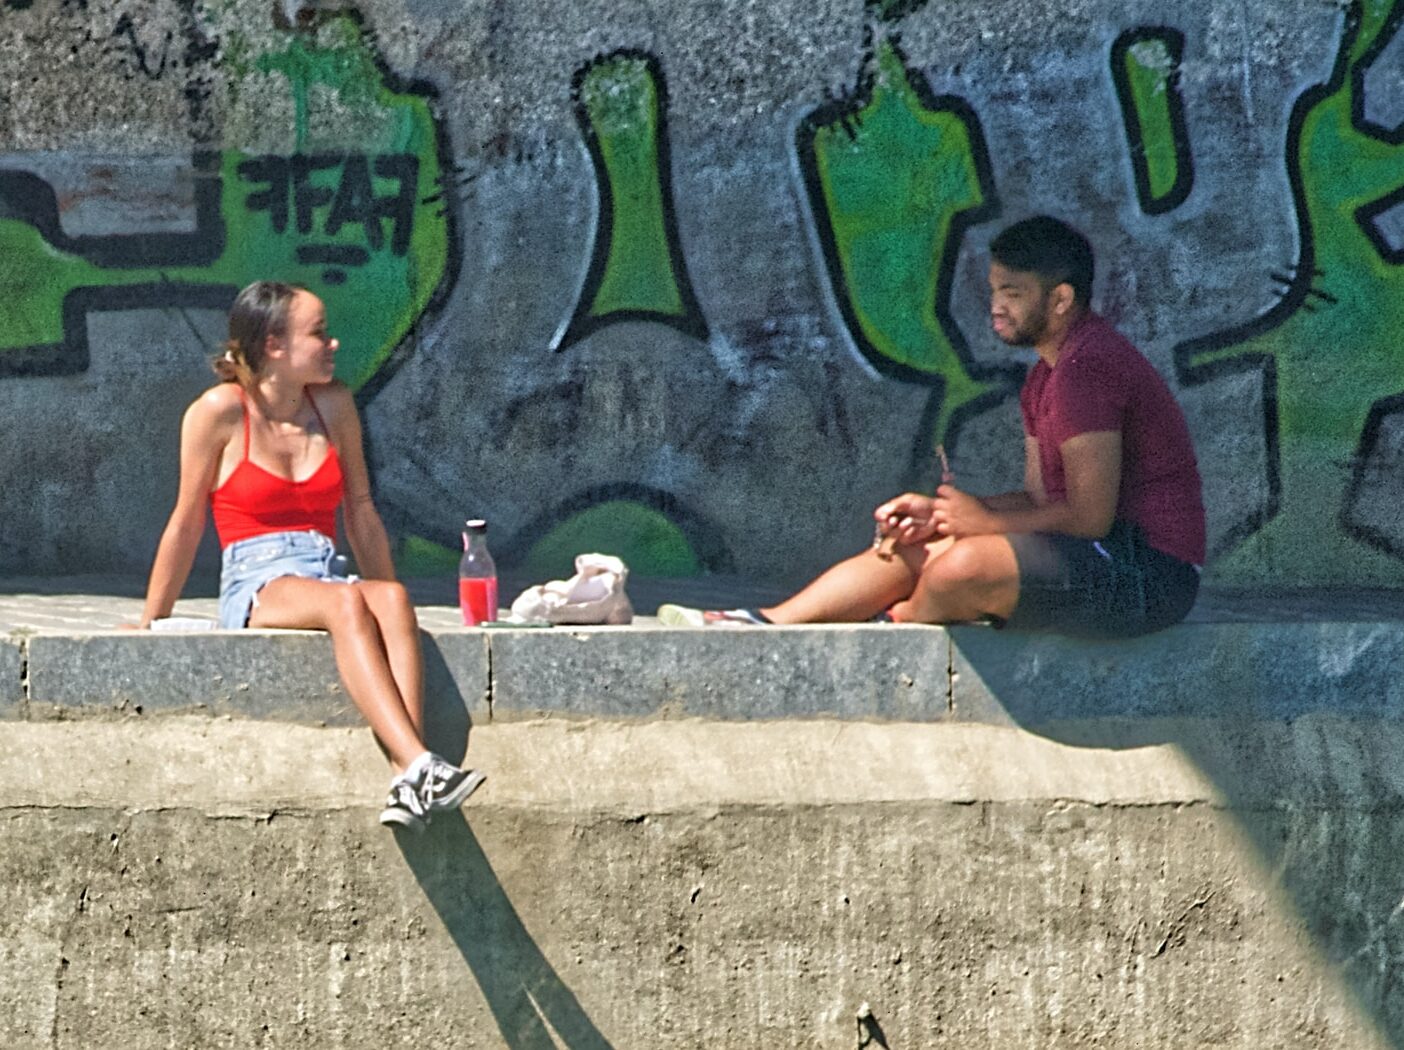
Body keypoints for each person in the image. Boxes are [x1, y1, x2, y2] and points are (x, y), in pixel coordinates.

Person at [660, 215, 1205, 638]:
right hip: (1093, 553)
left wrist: (980, 525)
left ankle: (892, 628)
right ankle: (765, 623)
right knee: (921, 543)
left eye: (1012, 294)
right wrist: (950, 515)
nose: (995, 308)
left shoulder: (1090, 367)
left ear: (1061, 299)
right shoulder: (1046, 376)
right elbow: (1043, 499)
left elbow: (1088, 518)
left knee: (963, 564)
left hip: (1148, 575)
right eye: (993, 291)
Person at [136, 280, 484, 831]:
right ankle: (418, 761)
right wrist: (154, 616)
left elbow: (362, 511)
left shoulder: (335, 405)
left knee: (389, 598)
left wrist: (383, 598)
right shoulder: (220, 412)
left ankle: (406, 777)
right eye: (318, 333)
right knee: (347, 606)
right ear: (275, 345)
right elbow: (186, 520)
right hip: (257, 576)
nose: (333, 344)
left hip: (324, 566)